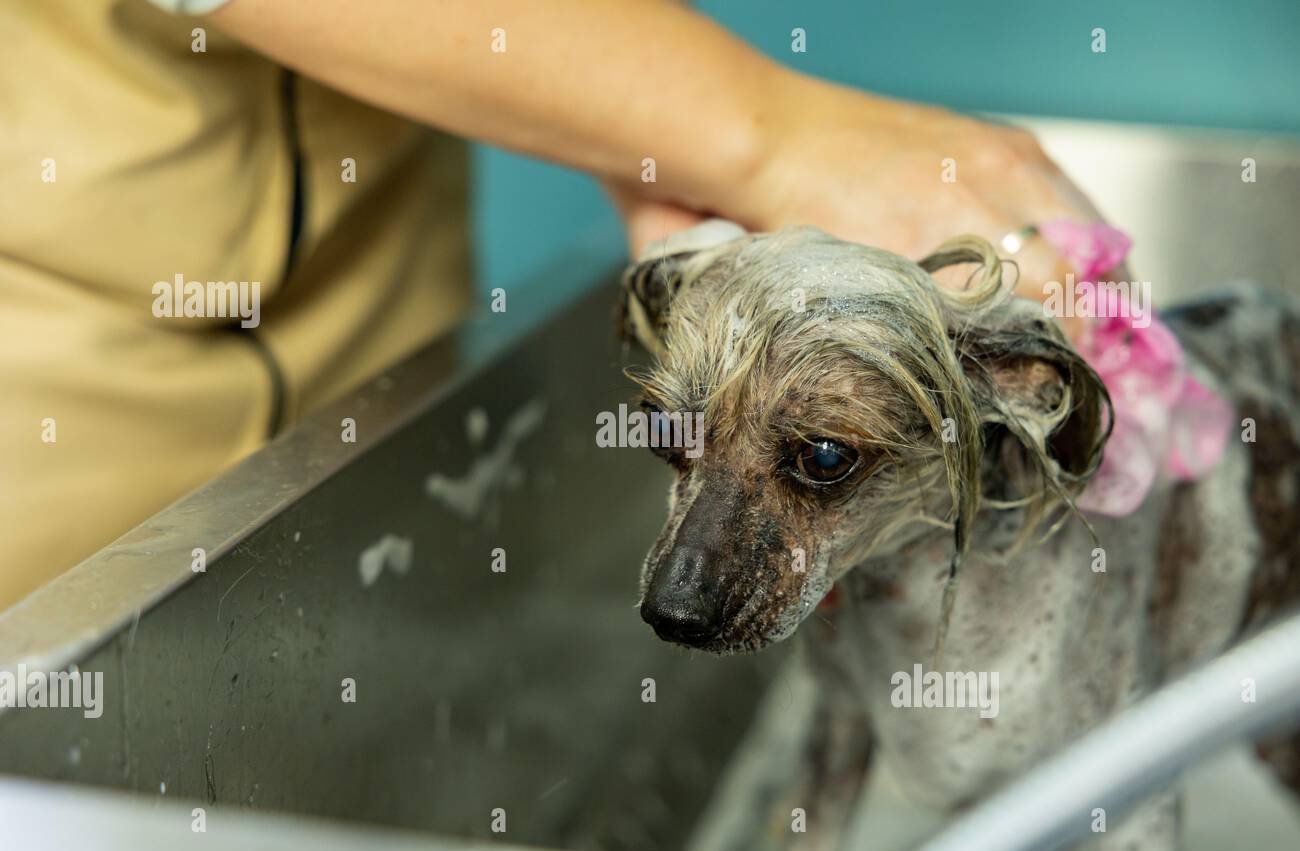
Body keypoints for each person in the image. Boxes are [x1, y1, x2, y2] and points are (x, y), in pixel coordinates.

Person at [0, 0, 1105, 609]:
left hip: (381, 318)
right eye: (671, 435)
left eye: (820, 458)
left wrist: (630, 123)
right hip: (60, 377)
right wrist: (753, 125)